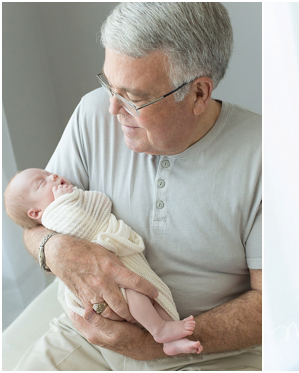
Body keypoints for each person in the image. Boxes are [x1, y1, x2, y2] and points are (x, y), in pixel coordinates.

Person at [13, 3, 262, 370]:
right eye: (108, 85)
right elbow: (32, 220)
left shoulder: (264, 156)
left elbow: (272, 303)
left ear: (198, 93)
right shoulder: (93, 113)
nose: (112, 108)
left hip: (202, 351)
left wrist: (155, 342)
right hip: (89, 337)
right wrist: (57, 249)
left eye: (134, 97)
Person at [5, 168, 203, 356]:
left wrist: (72, 197)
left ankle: (171, 340)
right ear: (35, 213)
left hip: (117, 254)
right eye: (41, 182)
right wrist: (66, 200)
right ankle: (158, 329)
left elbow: (100, 204)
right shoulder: (54, 214)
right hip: (106, 271)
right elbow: (78, 225)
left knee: (157, 292)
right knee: (136, 293)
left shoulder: (62, 198)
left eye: (48, 174)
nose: (53, 176)